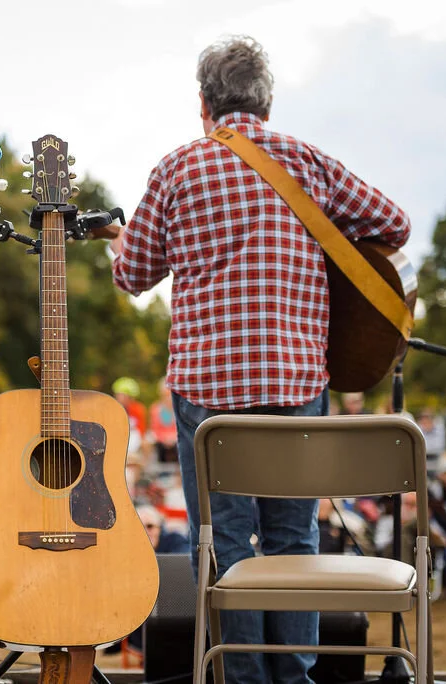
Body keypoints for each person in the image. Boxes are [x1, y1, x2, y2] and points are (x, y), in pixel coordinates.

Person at [105, 36, 410, 683]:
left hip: (206, 396)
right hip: (297, 383)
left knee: (222, 546)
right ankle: (292, 676)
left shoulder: (176, 169)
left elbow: (131, 274)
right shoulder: (306, 160)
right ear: (265, 101)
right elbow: (395, 221)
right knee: (293, 542)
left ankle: (240, 676)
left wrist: (125, 238)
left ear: (203, 103)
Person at [149, 379, 179, 464]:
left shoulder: (179, 409)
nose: (168, 397)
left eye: (169, 394)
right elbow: (155, 429)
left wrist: (173, 438)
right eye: (165, 394)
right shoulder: (156, 409)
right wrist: (164, 439)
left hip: (176, 439)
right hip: (161, 440)